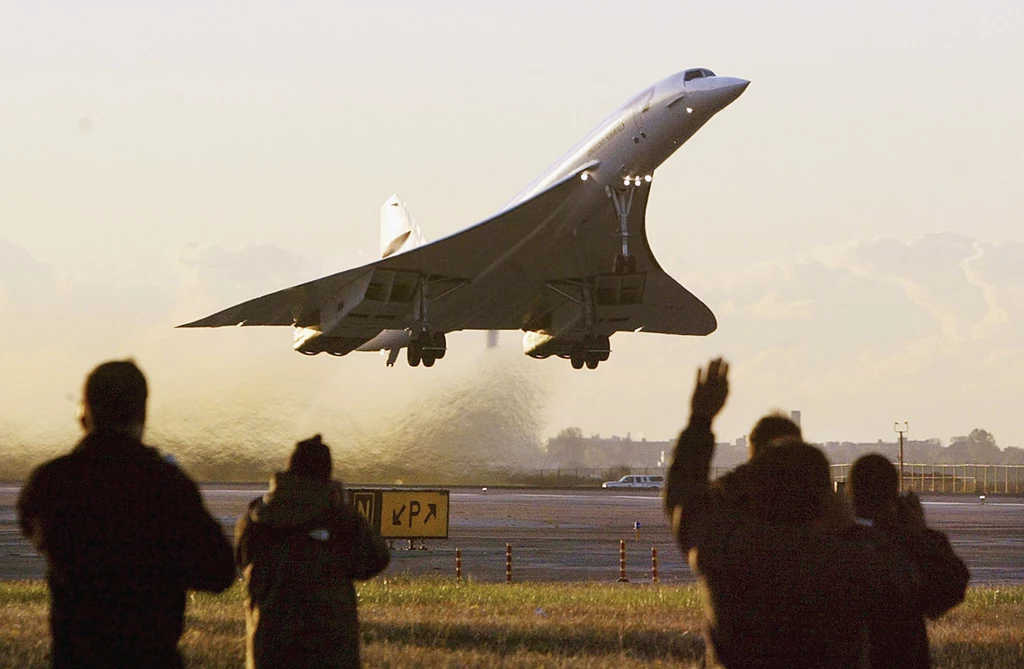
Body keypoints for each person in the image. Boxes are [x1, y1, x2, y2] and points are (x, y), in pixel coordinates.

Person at [664, 358, 917, 669]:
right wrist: (892, 529)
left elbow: (684, 496)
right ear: (825, 499)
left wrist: (700, 419)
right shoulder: (858, 562)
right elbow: (923, 588)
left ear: (755, 490)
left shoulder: (725, 550)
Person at [17, 359, 236, 669]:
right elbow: (219, 573)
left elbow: (36, 529)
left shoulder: (51, 482)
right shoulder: (169, 486)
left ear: (85, 412)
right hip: (152, 657)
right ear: (142, 414)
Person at [236, 434, 391, 669]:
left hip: (269, 645)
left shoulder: (255, 519)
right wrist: (342, 507)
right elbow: (376, 559)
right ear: (326, 474)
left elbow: (240, 559)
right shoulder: (337, 518)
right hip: (329, 649)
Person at [847, 454, 970, 668]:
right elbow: (948, 592)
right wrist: (918, 533)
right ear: (893, 495)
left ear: (850, 493)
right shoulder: (905, 545)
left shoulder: (837, 544)